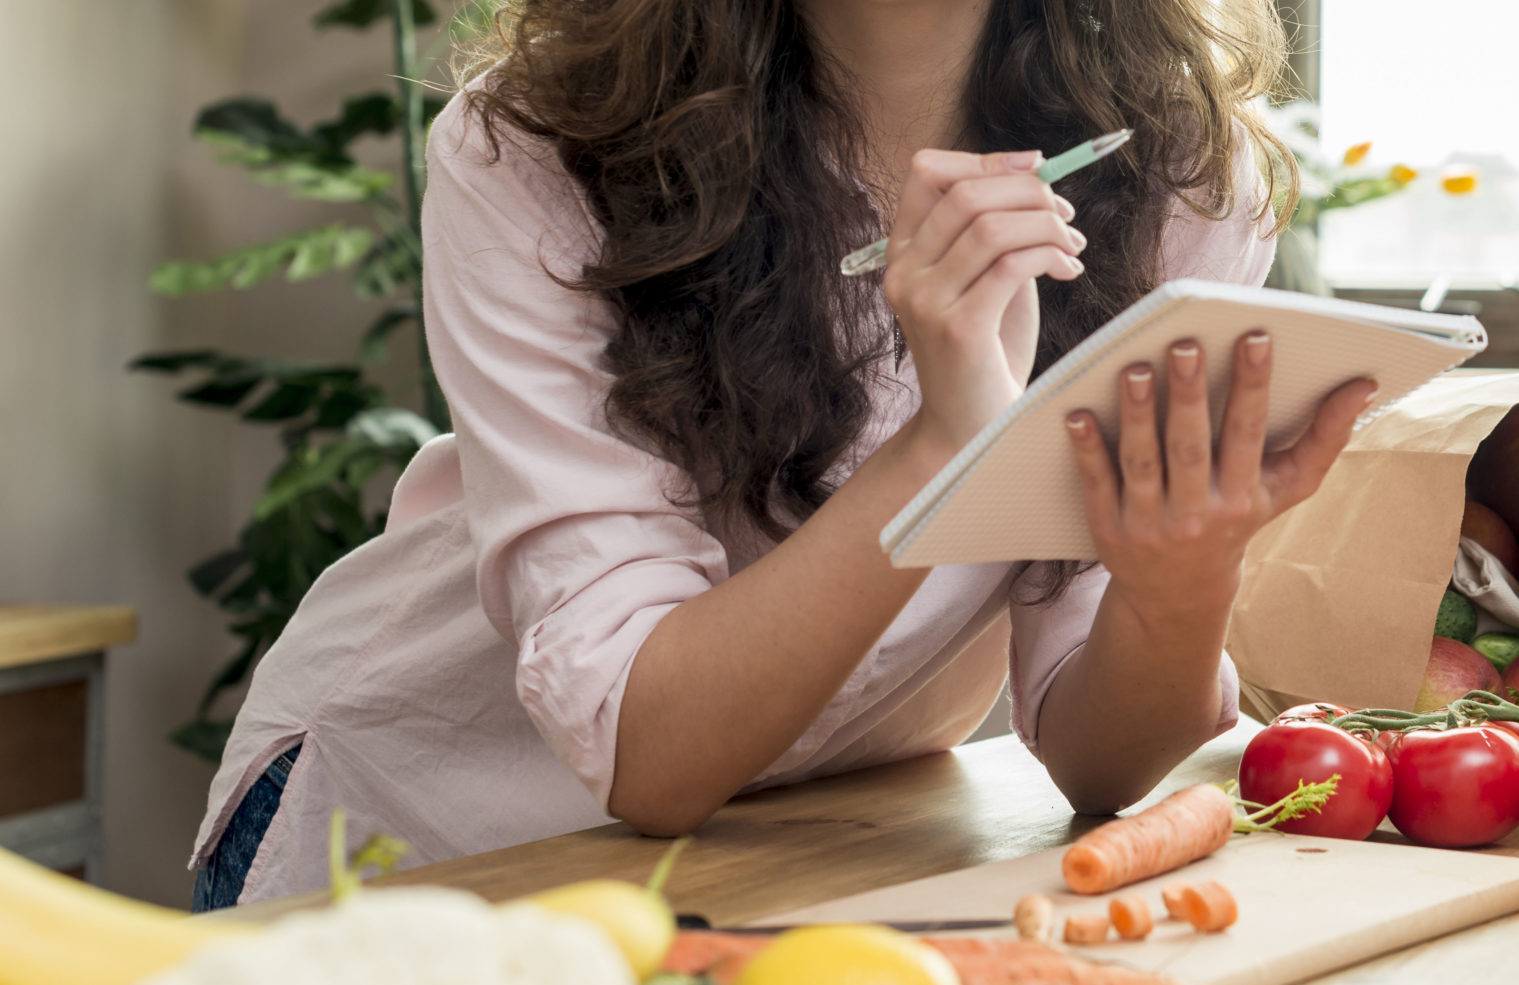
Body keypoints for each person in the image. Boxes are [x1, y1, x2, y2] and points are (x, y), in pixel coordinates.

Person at [188, 0, 1364, 909]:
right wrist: (944, 444)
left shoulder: (1179, 180)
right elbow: (648, 755)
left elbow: (1101, 762)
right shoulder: (535, 150)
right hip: (440, 841)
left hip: (791, 860)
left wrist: (1179, 575)